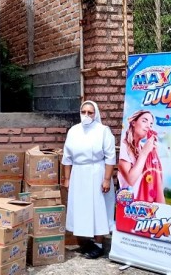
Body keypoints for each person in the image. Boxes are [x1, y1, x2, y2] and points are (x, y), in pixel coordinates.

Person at [61, 100, 116, 259]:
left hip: (97, 172)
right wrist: (67, 178)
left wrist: (106, 179)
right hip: (78, 173)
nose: (86, 115)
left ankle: (99, 243)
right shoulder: (73, 130)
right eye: (83, 112)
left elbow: (110, 157)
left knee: (98, 207)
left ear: (95, 113)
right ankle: (88, 240)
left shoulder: (103, 131)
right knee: (82, 207)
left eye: (90, 112)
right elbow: (67, 157)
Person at [118, 110, 165, 203]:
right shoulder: (123, 147)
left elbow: (155, 179)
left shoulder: (144, 147)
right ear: (133, 123)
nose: (148, 126)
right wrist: (144, 153)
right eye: (144, 121)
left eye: (151, 124)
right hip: (129, 202)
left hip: (148, 203)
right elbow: (131, 180)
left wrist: (153, 154)